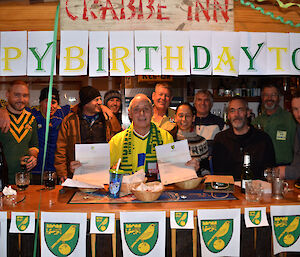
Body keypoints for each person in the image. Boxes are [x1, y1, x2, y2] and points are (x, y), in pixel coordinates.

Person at [109, 94, 199, 179]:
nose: (142, 113)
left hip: (157, 192)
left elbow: (173, 171)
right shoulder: (117, 141)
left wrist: (188, 167)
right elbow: (101, 170)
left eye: (146, 109)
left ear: (152, 112)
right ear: (130, 114)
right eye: (136, 109)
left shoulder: (165, 137)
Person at [55, 86, 121, 181]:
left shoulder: (107, 117)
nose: (100, 102)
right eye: (96, 100)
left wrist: (109, 113)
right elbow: (60, 149)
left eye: (100, 99)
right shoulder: (70, 121)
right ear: (86, 103)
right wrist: (62, 173)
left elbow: (118, 139)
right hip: (77, 173)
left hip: (103, 173)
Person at [212, 96, 275, 180]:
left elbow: (270, 171)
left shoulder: (263, 139)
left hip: (256, 190)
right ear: (228, 116)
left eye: (240, 110)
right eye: (232, 111)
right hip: (228, 189)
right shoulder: (220, 140)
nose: (236, 115)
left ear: (248, 113)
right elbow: (218, 174)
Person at [0, 80, 39, 184]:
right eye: (17, 95)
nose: (21, 99)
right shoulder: (1, 116)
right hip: (2, 179)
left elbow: (33, 145)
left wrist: (33, 157)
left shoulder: (31, 119)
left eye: (25, 95)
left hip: (23, 180)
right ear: (7, 95)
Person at [252, 85, 296, 165]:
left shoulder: (290, 119)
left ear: (279, 98)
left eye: (273, 95)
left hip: (284, 168)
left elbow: (297, 148)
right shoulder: (256, 121)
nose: (269, 98)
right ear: (262, 98)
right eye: (266, 95)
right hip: (261, 168)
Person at [169, 103, 209, 176]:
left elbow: (206, 169)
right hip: (174, 183)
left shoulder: (201, 142)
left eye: (187, 116)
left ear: (193, 118)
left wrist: (198, 168)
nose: (184, 119)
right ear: (175, 118)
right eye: (181, 116)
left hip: (196, 184)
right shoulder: (169, 139)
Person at [278, 90, 300, 179]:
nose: (299, 114)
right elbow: (297, 161)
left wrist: (286, 171)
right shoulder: (298, 128)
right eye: (295, 109)